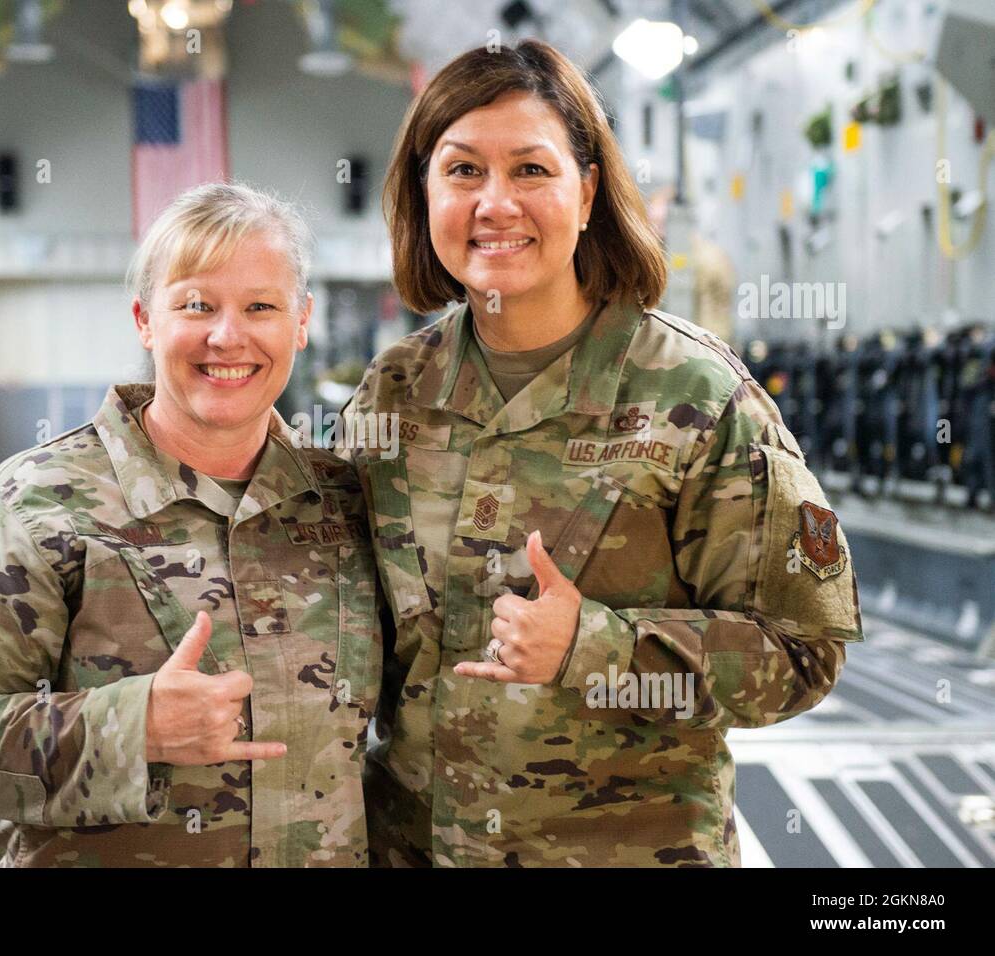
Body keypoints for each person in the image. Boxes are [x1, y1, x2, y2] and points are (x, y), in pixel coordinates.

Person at [338, 40, 863, 867]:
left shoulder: (695, 396)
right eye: (463, 171)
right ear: (423, 193)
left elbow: (803, 652)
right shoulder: (395, 394)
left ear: (586, 192)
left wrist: (595, 647)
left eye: (531, 171)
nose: (495, 203)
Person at [0, 182, 381, 867]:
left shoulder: (345, 502)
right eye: (196, 305)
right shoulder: (34, 504)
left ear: (301, 322)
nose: (227, 335)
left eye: (260, 307)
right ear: (147, 320)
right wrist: (131, 726)